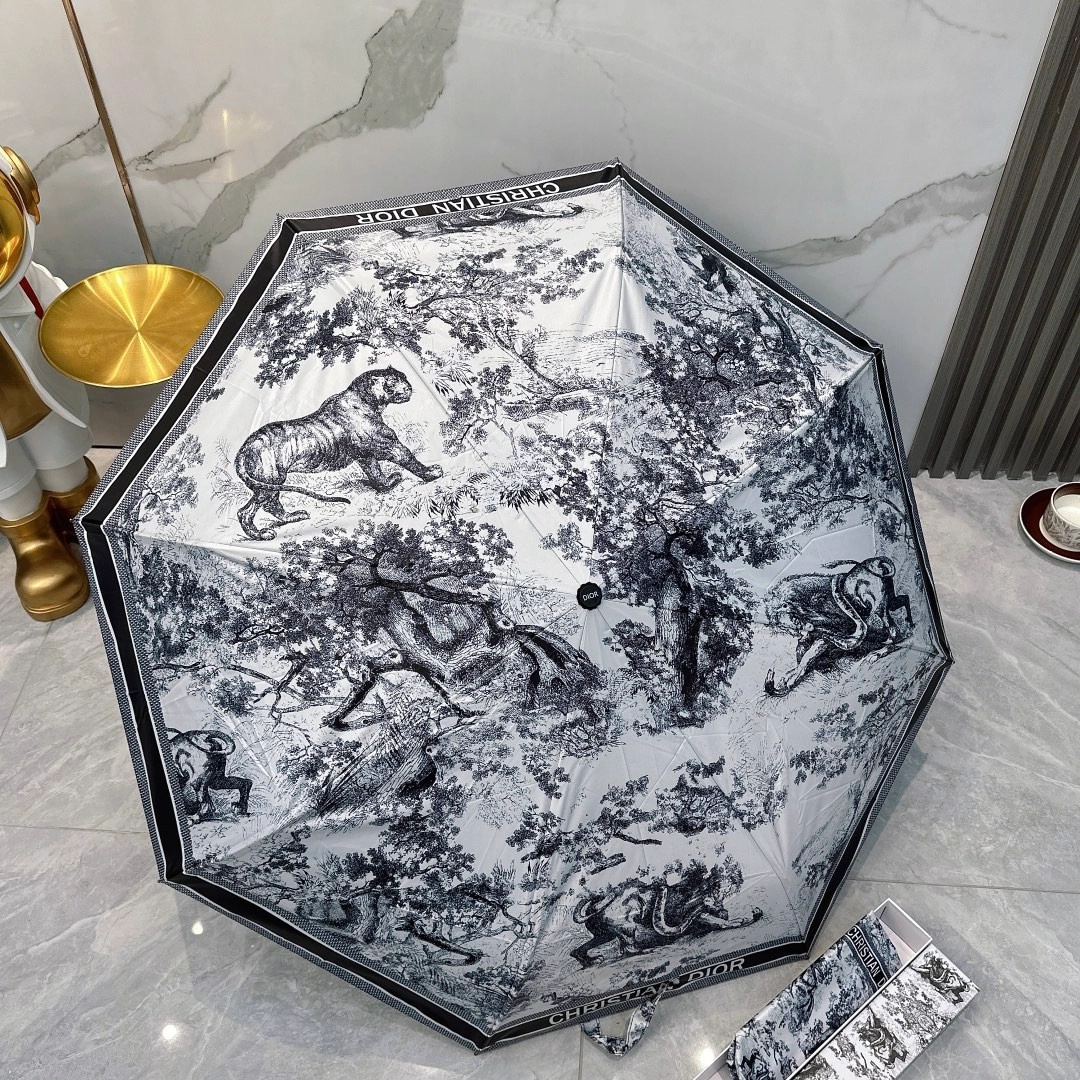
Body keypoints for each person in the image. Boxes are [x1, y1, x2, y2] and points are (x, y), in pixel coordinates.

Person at [0, 145, 96, 620]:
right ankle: (32, 537)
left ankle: (79, 505)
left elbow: (64, 311)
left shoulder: (23, 277)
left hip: (37, 374)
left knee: (58, 448)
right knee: (6, 479)